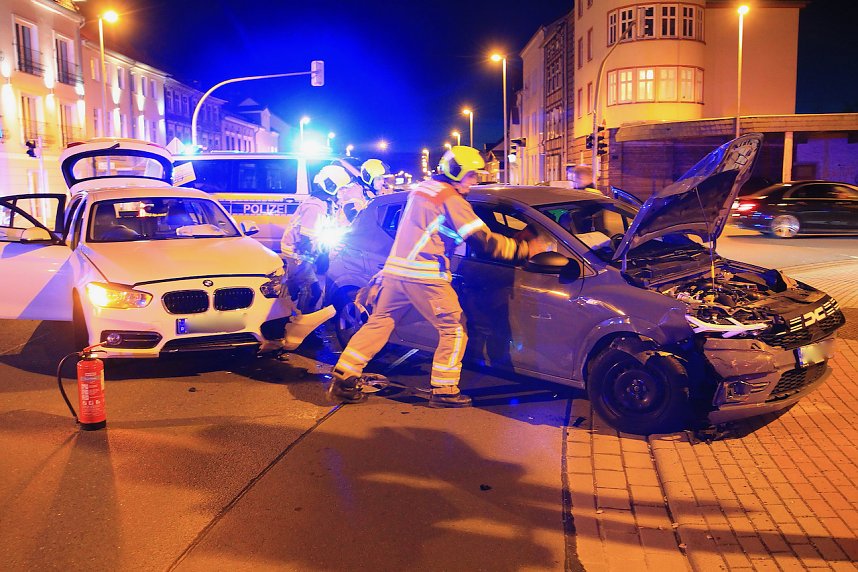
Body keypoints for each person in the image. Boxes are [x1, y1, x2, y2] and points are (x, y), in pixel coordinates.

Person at [328, 146, 538, 407]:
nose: (475, 181)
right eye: (471, 175)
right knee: (454, 327)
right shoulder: (449, 198)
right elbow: (483, 241)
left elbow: (434, 229)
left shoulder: (424, 190)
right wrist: (524, 249)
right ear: (457, 171)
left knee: (380, 322)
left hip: (395, 272)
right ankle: (444, 389)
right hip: (424, 275)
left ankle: (344, 376)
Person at [280, 164, 345, 312]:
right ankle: (302, 327)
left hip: (301, 252)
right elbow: (305, 240)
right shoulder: (314, 207)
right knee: (312, 292)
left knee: (294, 288)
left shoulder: (323, 203)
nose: (341, 192)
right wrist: (307, 263)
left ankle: (286, 316)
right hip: (297, 253)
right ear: (331, 186)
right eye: (340, 188)